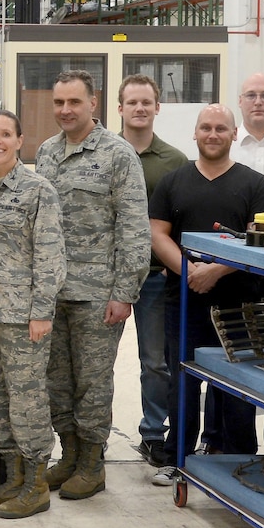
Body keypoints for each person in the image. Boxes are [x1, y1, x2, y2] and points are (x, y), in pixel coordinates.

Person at [33, 70, 148, 501]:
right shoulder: (46, 153)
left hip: (98, 294)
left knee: (93, 382)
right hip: (53, 292)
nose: (65, 110)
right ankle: (68, 455)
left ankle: (92, 464)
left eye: (74, 102)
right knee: (56, 380)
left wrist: (124, 292)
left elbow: (133, 228)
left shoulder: (118, 155)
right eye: (59, 102)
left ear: (93, 103)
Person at [149, 104, 264, 459]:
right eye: (206, 128)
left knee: (237, 388)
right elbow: (157, 233)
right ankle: (178, 458)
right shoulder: (173, 182)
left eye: (222, 128)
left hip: (239, 307)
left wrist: (215, 271)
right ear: (195, 133)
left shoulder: (254, 184)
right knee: (182, 384)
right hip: (184, 301)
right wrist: (189, 272)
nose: (213, 134)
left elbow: (259, 240)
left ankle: (238, 459)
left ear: (235, 134)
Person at [0, 109, 65, 519]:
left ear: (21, 141)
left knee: (28, 400)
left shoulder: (39, 191)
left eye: (5, 134)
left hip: (23, 318)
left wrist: (41, 311)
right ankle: (13, 477)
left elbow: (51, 256)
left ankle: (36, 483)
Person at [118, 74, 190, 478]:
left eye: (147, 102)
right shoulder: (104, 152)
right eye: (133, 102)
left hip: (157, 275)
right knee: (95, 363)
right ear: (120, 108)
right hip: (107, 278)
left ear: (157, 108)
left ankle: (153, 432)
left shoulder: (175, 162)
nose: (140, 108)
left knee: (156, 361)